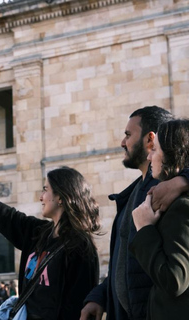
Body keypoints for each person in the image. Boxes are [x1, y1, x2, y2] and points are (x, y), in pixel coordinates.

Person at [0, 166, 101, 319]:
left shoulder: (80, 246)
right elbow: (7, 215)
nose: (40, 197)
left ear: (60, 197)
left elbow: (78, 306)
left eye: (45, 190)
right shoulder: (39, 232)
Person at [80, 106, 189, 320]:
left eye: (128, 135)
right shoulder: (133, 194)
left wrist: (183, 179)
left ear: (150, 139)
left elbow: (173, 276)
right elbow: (127, 261)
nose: (122, 142)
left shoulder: (166, 195)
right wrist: (100, 296)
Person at [129, 119, 189, 319]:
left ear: (172, 154)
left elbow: (174, 280)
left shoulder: (181, 207)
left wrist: (144, 228)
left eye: (154, 149)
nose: (149, 156)